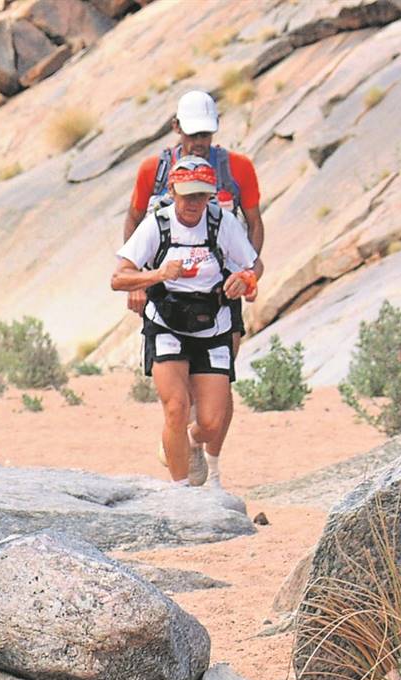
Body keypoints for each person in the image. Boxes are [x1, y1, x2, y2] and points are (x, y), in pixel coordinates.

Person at [110, 156, 262, 489]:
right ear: (172, 191)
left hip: (213, 324)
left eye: (201, 195)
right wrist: (157, 275)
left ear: (210, 195)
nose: (193, 203)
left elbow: (254, 265)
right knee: (176, 408)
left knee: (211, 422)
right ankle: (181, 494)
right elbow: (118, 278)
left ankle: (188, 441)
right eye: (186, 195)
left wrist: (246, 279)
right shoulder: (157, 225)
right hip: (166, 323)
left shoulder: (222, 223)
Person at [124, 90, 264, 358]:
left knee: (221, 373)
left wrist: (249, 273)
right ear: (176, 127)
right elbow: (133, 219)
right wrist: (137, 280)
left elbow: (254, 223)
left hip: (222, 285)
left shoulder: (238, 168)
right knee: (172, 374)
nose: (199, 142)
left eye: (205, 134)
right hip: (167, 287)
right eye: (193, 134)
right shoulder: (153, 170)